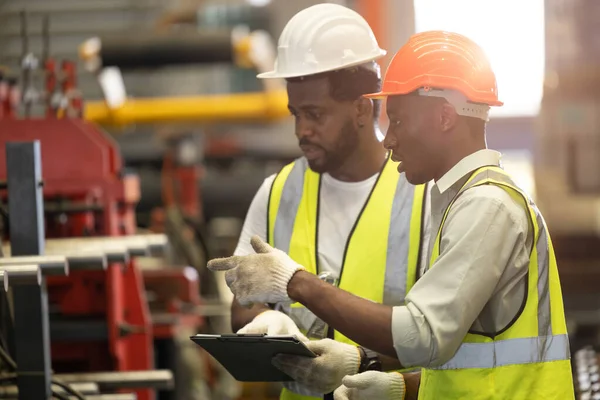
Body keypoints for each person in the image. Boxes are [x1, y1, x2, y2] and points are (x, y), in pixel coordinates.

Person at [209, 30, 576, 399]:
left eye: (398, 121)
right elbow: (465, 353)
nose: (388, 139)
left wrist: (295, 282)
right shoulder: (462, 202)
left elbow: (424, 334)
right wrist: (392, 381)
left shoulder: (487, 207)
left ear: (445, 117)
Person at [225, 3, 430, 400]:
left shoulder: (421, 192)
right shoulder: (278, 192)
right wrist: (269, 322)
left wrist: (361, 362)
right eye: (295, 113)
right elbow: (242, 304)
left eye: (315, 114)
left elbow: (441, 334)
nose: (302, 130)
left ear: (361, 108)